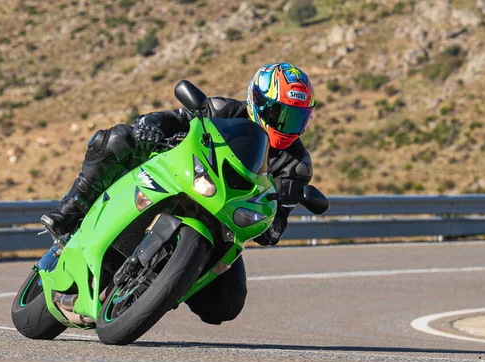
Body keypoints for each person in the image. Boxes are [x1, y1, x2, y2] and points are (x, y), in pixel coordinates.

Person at [42, 62, 316, 325]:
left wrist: (283, 206)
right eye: (281, 114)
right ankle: (72, 209)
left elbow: (273, 229)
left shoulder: (296, 166)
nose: (286, 125)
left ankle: (170, 280)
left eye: (296, 118)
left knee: (226, 305)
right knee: (117, 139)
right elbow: (175, 118)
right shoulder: (223, 110)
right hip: (182, 177)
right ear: (257, 101)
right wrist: (152, 124)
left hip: (224, 219)